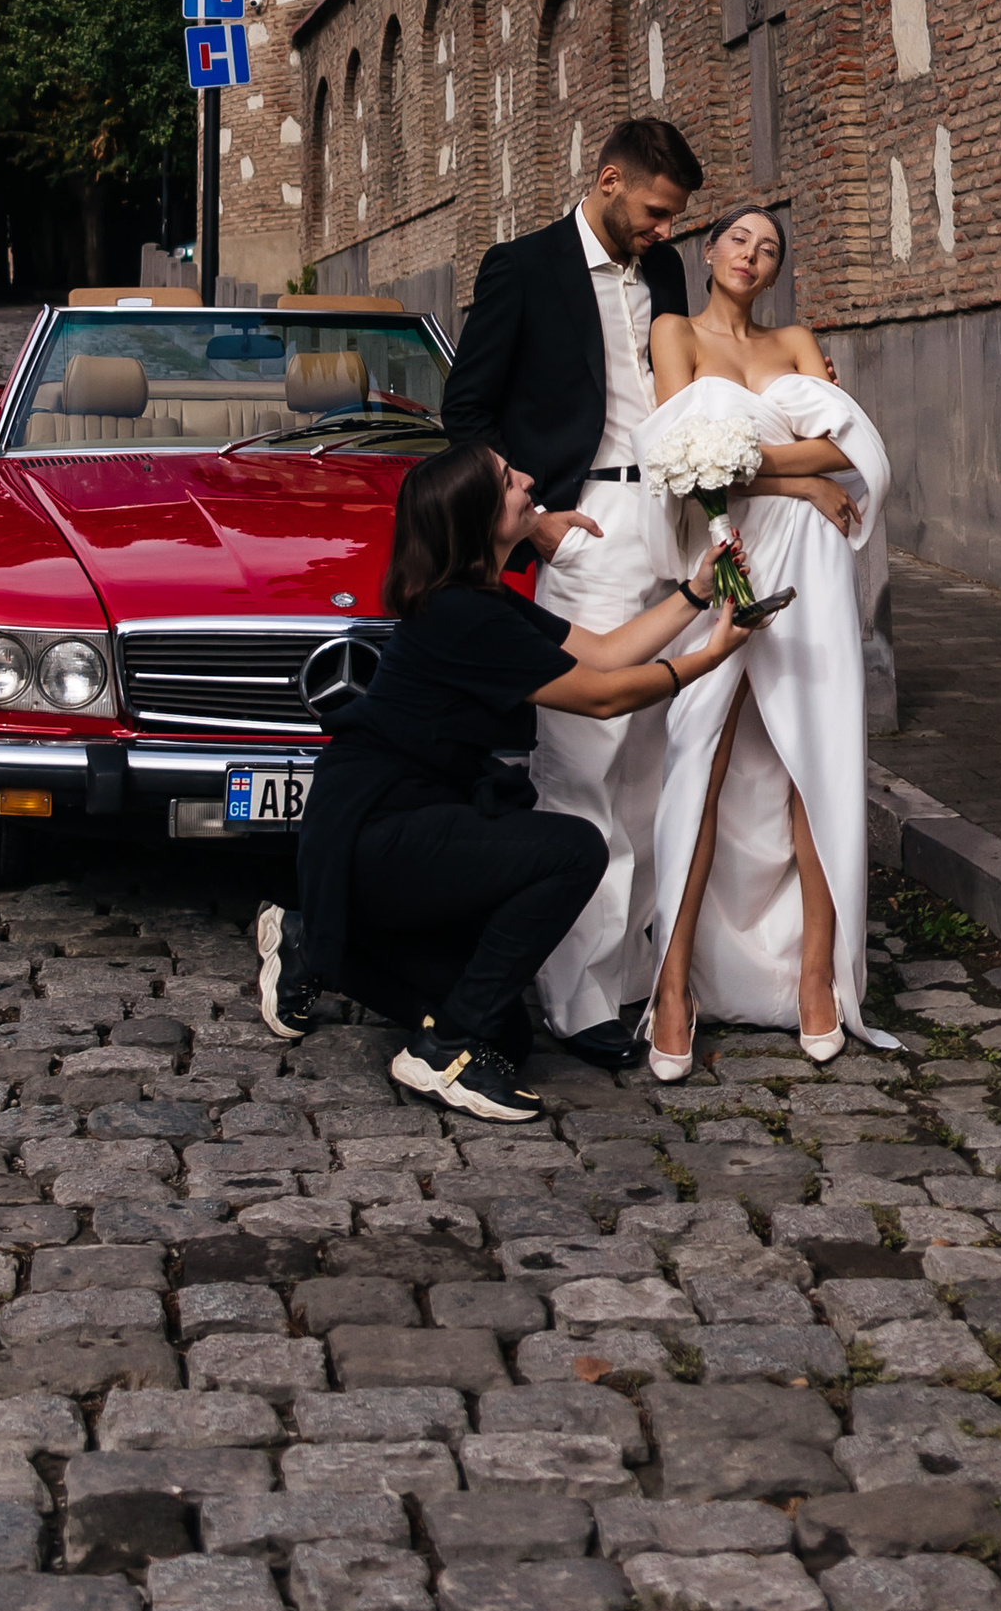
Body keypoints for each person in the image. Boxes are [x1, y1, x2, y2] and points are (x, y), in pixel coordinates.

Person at [283, 439, 748, 1121]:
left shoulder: (480, 598)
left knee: (510, 1034)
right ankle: (446, 1050)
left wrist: (694, 594)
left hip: (400, 827)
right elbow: (603, 695)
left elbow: (607, 651)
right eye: (507, 481)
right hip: (377, 830)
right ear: (476, 516)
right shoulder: (462, 616)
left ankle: (318, 944)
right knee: (573, 849)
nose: (528, 478)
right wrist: (708, 657)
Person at [438, 117, 704, 1067]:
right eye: (656, 212)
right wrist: (538, 516)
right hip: (585, 527)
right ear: (607, 181)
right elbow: (462, 415)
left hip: (674, 524)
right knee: (584, 763)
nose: (667, 232)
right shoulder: (522, 267)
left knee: (651, 764)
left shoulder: (665, 273)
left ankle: (635, 982)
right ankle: (574, 996)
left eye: (675, 219)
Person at [641, 202, 900, 1072]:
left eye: (772, 247)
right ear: (708, 251)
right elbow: (682, 455)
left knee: (808, 764)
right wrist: (795, 484)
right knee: (701, 757)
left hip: (810, 563)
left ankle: (817, 979)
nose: (754, 255)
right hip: (724, 550)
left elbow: (842, 452)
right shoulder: (671, 330)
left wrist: (786, 476)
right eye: (739, 240)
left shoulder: (794, 341)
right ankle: (673, 987)